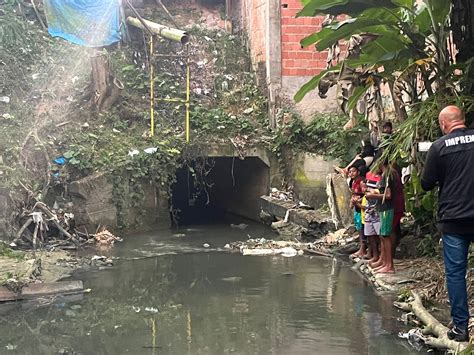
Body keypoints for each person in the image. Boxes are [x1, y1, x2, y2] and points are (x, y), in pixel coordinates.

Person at [421, 105, 474, 342]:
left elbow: (426, 183)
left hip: (454, 219)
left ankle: (460, 329)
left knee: (455, 273)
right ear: (463, 119)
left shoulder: (439, 147)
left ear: (444, 124)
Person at [367, 160, 396, 274]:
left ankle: (389, 265)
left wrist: (372, 195)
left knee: (385, 235)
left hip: (386, 209)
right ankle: (384, 263)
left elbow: (388, 195)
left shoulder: (387, 175)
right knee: (383, 236)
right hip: (382, 208)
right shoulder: (384, 175)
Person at [348, 166, 365, 258]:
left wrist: (358, 201)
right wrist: (352, 203)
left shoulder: (361, 181)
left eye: (353, 171)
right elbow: (353, 195)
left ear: (358, 172)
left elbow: (365, 194)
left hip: (363, 208)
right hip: (357, 209)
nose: (351, 173)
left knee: (363, 229)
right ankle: (361, 248)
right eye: (350, 172)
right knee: (359, 228)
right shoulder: (352, 182)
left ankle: (363, 249)